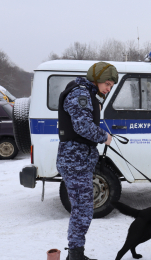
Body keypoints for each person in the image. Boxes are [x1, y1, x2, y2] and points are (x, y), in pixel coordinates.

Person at [57, 62, 117, 260]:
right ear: (96, 78)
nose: (109, 88)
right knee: (82, 211)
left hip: (79, 160)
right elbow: (83, 126)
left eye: (111, 85)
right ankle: (75, 256)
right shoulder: (80, 94)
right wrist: (104, 136)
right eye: (107, 83)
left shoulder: (86, 93)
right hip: (75, 161)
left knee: (82, 210)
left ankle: (76, 254)